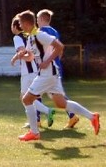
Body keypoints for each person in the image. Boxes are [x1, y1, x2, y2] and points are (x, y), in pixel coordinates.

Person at [16, 10, 99, 142]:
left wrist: (47, 61)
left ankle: (34, 132)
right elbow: (31, 56)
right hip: (49, 73)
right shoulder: (31, 37)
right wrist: (23, 56)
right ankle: (92, 117)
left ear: (26, 23)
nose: (19, 25)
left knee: (26, 100)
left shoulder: (40, 35)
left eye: (20, 22)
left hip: (47, 73)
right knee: (61, 103)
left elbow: (59, 46)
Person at [10, 17, 55, 129]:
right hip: (35, 69)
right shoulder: (28, 35)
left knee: (25, 98)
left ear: (15, 27)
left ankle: (44, 113)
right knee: (28, 97)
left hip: (28, 72)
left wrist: (15, 58)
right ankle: (38, 117)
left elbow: (23, 52)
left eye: (12, 25)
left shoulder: (17, 37)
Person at [37, 9, 77, 129]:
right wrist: (56, 60)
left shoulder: (41, 32)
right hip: (56, 66)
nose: (37, 22)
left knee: (35, 93)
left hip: (47, 67)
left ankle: (37, 120)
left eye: (38, 19)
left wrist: (47, 61)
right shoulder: (55, 31)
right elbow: (60, 49)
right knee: (57, 95)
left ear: (43, 19)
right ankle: (72, 116)